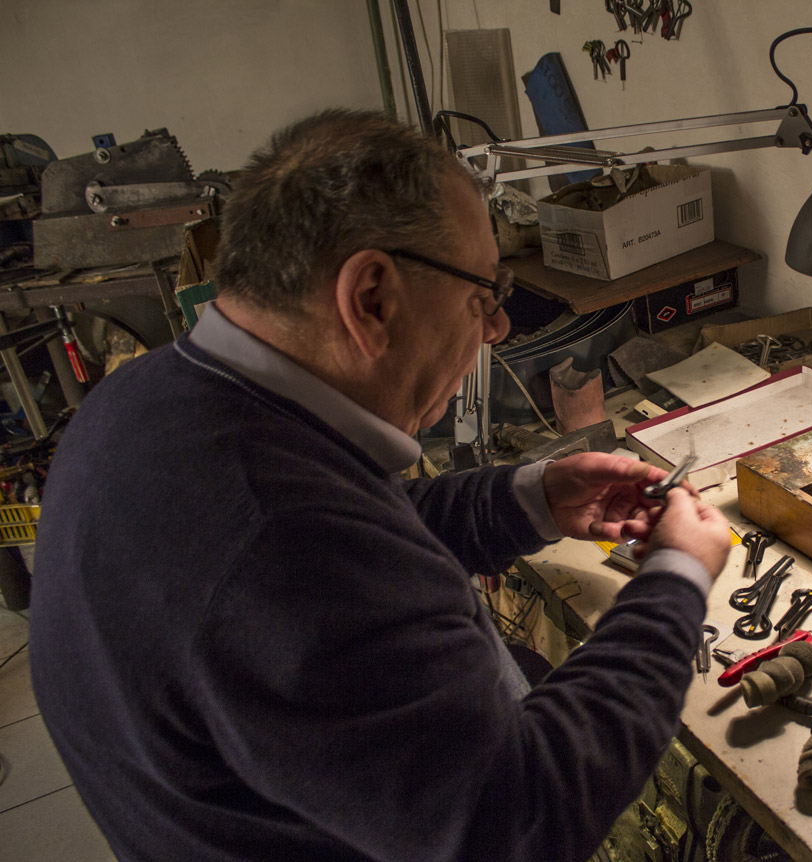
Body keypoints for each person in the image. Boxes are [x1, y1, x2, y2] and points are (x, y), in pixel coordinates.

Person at [29, 109, 732, 862]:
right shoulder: (282, 544)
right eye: (480, 293)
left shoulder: (147, 401)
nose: (493, 328)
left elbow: (363, 530)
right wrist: (676, 579)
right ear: (370, 296)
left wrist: (530, 497)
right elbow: (522, 821)